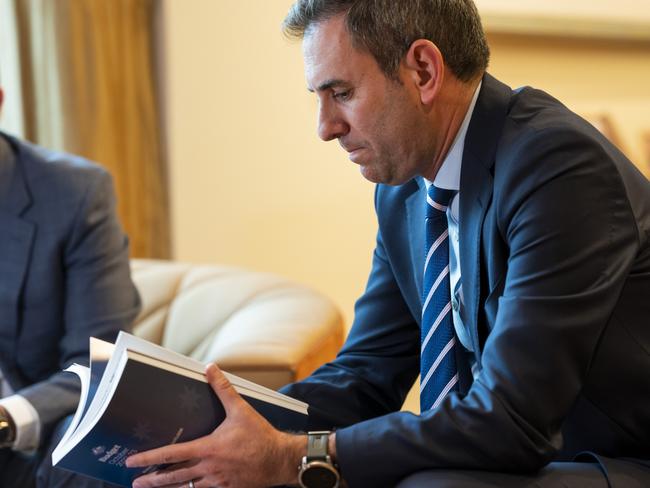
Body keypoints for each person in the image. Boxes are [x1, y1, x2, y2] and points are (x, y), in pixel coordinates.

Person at [126, 1, 650, 487]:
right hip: (527, 454)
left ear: (423, 71)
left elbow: (512, 419)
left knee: (422, 484)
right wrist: (206, 428)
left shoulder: (557, 165)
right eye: (320, 98)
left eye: (342, 93)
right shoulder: (403, 193)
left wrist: (293, 457)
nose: (326, 128)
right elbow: (367, 374)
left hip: (614, 458)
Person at [0, 86, 141, 487]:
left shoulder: (74, 193)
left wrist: (5, 419)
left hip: (31, 432)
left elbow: (97, 360)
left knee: (95, 459)